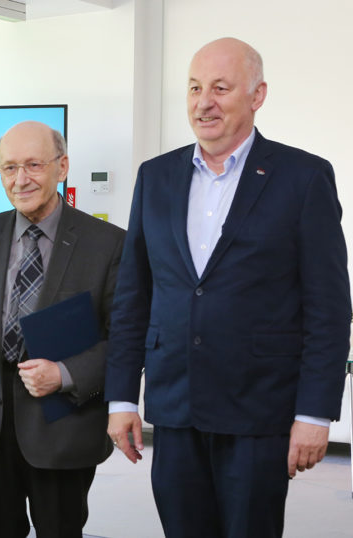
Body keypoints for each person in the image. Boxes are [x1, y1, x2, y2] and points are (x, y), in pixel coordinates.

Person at [105, 37, 350, 537]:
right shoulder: (155, 176)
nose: (204, 102)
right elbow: (133, 297)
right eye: (195, 88)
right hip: (175, 409)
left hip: (259, 410)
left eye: (221, 88)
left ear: (257, 96)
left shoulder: (303, 178)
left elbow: (328, 307)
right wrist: (122, 399)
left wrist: (315, 412)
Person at [0, 121, 125, 538]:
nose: (20, 179)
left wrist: (66, 373)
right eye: (9, 168)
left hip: (63, 427)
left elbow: (126, 341)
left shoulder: (108, 244)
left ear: (62, 167)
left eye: (34, 165)